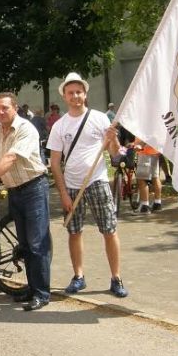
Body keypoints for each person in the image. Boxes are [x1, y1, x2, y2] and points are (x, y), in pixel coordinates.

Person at [47, 72, 128, 299]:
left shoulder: (100, 118)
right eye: (70, 93)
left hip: (97, 181)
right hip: (72, 186)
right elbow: (54, 163)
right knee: (74, 232)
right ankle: (78, 276)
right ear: (64, 96)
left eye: (79, 92)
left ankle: (116, 277)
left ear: (85, 93)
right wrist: (63, 194)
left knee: (109, 230)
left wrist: (112, 139)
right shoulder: (59, 126)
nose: (75, 96)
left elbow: (115, 154)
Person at [0, 92, 51, 311]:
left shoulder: (25, 128)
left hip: (34, 187)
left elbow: (10, 158)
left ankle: (42, 293)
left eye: (4, 108)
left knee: (37, 243)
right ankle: (32, 287)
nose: (0, 112)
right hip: (14, 191)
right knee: (24, 245)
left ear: (14, 108)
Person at [133, 139, 162, 214]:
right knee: (155, 177)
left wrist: (140, 144)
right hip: (155, 151)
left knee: (142, 179)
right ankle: (157, 203)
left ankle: (144, 206)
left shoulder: (146, 126)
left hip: (144, 151)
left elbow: (146, 134)